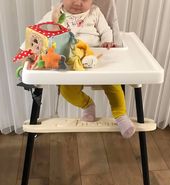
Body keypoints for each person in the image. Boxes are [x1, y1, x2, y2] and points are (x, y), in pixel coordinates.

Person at [27, 0, 136, 138]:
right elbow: (38, 29)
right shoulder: (56, 13)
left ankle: (121, 116)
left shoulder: (95, 12)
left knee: (114, 84)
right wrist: (35, 46)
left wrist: (106, 42)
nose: (78, 2)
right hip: (70, 62)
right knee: (67, 91)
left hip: (95, 57)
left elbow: (106, 30)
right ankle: (87, 105)